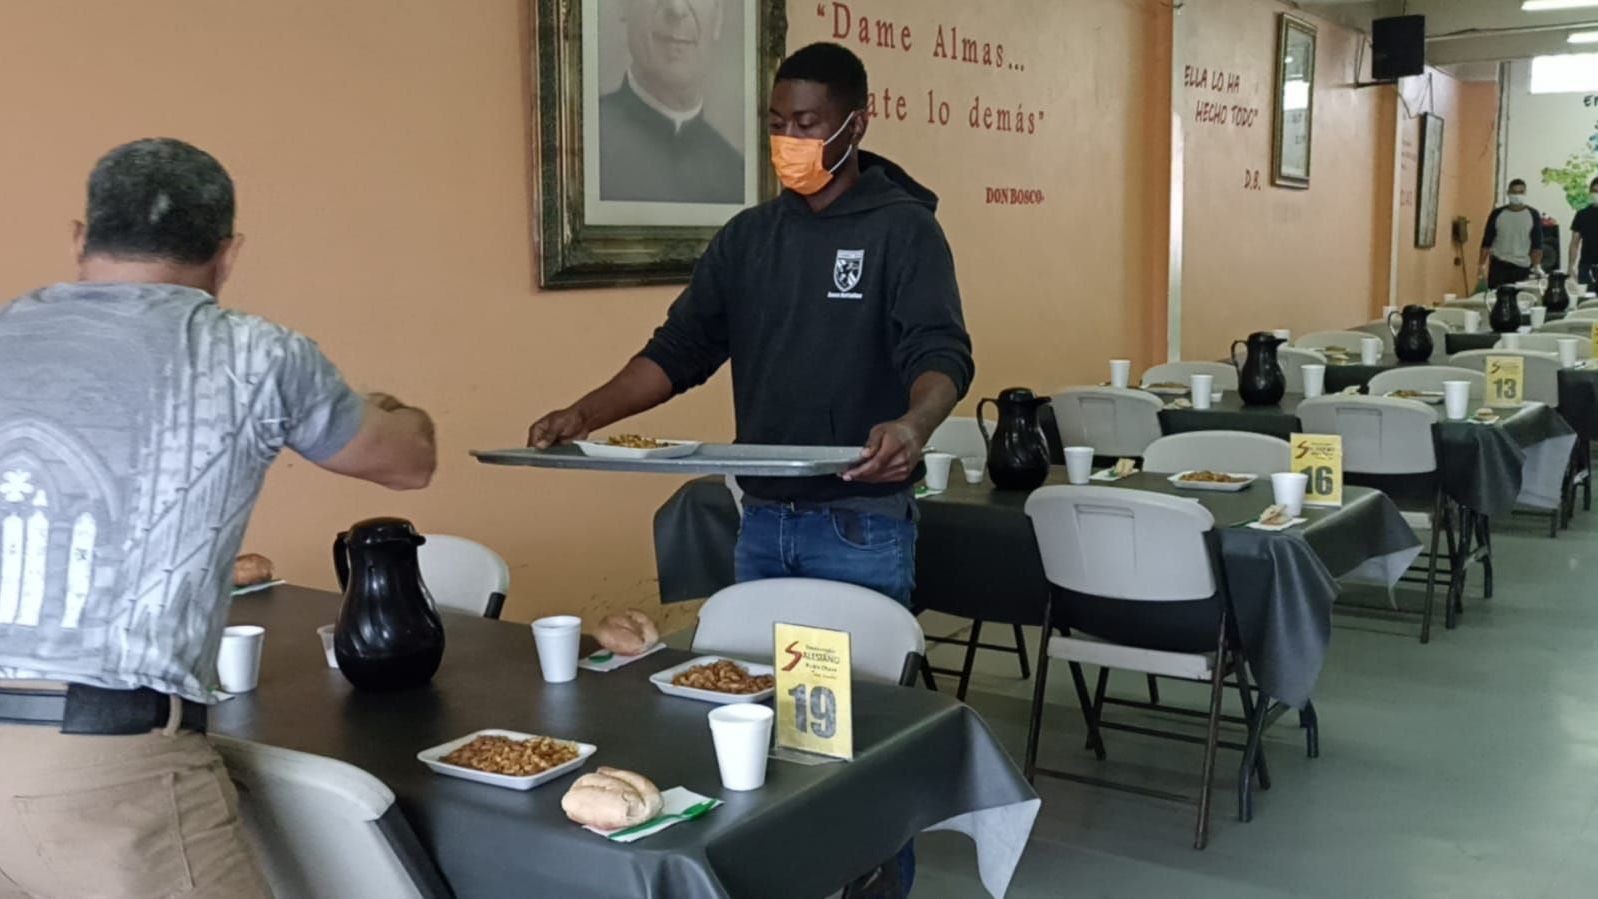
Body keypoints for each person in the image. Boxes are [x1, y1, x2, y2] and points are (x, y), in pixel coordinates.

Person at [531, 42, 973, 898]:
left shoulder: (903, 230)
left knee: (854, 740)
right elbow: (680, 350)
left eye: (806, 125)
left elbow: (942, 350)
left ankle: (880, 881)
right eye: (776, 125)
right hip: (765, 522)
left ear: (856, 124)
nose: (788, 142)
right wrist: (587, 413)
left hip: (859, 524)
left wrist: (914, 423)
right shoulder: (750, 238)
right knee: (751, 723)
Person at [0, 138, 437, 897]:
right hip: (109, 768)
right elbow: (406, 461)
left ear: (81, 238)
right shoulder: (254, 354)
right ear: (227, 255)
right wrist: (402, 411)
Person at [599, 0, 744, 204]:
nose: (676, 8)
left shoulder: (737, 176)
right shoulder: (581, 149)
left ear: (718, 16)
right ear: (624, 5)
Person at [1479, 178, 1545, 289]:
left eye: (1520, 192)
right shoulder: (1497, 214)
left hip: (1522, 267)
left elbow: (1537, 244)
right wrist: (1481, 265)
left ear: (1525, 193)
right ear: (1508, 193)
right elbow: (1487, 241)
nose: (1517, 195)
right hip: (1499, 266)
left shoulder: (1533, 214)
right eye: (1514, 192)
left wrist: (1537, 266)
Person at [1569, 177, 1598, 287]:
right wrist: (1570, 267)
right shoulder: (1582, 214)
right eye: (1595, 191)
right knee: (1586, 301)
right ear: (1590, 192)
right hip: (1586, 267)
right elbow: (1574, 243)